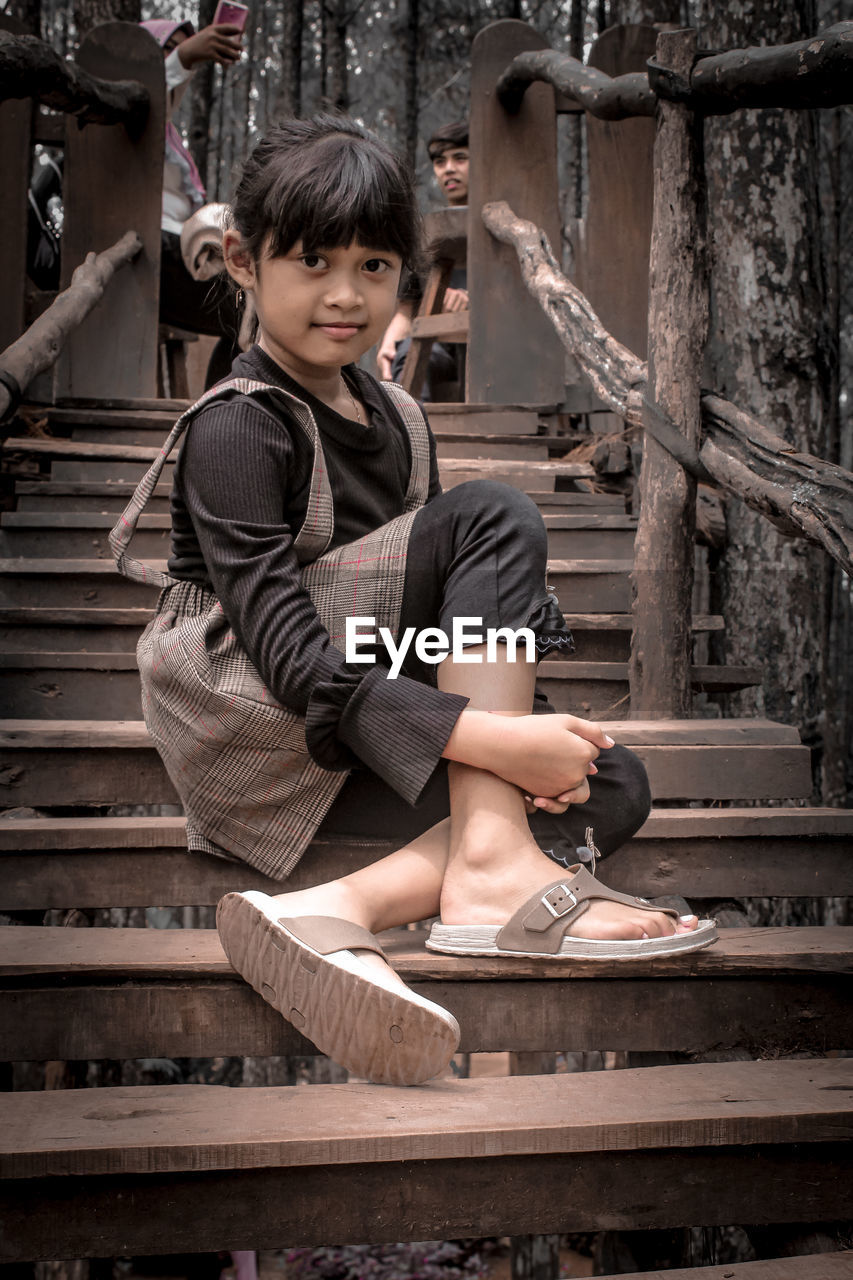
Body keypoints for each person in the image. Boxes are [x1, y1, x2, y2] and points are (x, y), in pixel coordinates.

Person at [112, 115, 715, 1090]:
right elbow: (294, 659)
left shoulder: (394, 414)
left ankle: (331, 907)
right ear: (241, 262)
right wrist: (493, 739)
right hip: (253, 717)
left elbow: (439, 614)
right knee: (491, 519)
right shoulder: (237, 427)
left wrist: (510, 744)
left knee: (611, 781)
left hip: (360, 708)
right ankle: (482, 865)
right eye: (311, 260)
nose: (346, 293)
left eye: (375, 264)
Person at [141, 18, 245, 386]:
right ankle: (226, 413)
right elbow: (144, 95)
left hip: (175, 254)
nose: (176, 58)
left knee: (261, 307)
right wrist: (184, 57)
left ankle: (226, 410)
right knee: (254, 307)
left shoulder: (169, 139)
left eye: (178, 48)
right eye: (165, 48)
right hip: (147, 257)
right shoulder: (123, 122)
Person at [377, 121, 471, 398]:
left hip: (496, 351)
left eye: (460, 158)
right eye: (440, 162)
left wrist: (471, 302)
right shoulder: (426, 237)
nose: (449, 169)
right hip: (440, 351)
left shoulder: (507, 229)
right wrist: (390, 346)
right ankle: (411, 436)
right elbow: (406, 311)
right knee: (406, 354)